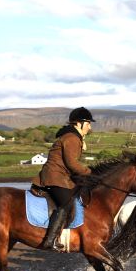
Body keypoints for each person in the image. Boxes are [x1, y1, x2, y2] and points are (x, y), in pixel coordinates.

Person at [33, 107, 95, 250]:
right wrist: (90, 173)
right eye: (88, 123)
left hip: (61, 176)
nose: (90, 127)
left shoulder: (72, 137)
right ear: (79, 123)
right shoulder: (72, 138)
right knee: (66, 203)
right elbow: (72, 164)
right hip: (55, 177)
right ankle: (50, 240)